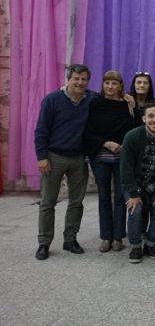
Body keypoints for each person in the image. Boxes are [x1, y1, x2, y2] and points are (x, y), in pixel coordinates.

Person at [34, 64, 95, 260]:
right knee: (48, 202)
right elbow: (41, 130)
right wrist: (42, 157)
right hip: (54, 157)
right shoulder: (52, 100)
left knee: (76, 202)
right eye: (76, 78)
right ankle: (44, 243)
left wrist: (127, 97)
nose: (80, 82)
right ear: (68, 79)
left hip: (79, 158)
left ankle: (70, 239)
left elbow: (111, 100)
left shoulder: (92, 99)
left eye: (84, 79)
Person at [84, 70, 137, 253]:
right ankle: (106, 236)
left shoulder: (127, 104)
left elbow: (135, 128)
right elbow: (88, 131)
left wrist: (134, 106)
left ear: (120, 85)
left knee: (121, 197)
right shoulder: (95, 103)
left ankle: (118, 237)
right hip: (101, 157)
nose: (110, 86)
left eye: (114, 83)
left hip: (123, 158)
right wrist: (106, 143)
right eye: (107, 83)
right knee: (104, 196)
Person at [121, 102, 155, 263]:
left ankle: (151, 244)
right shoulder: (131, 136)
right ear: (144, 118)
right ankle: (135, 246)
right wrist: (132, 194)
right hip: (134, 182)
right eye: (150, 116)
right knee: (135, 208)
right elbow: (125, 168)